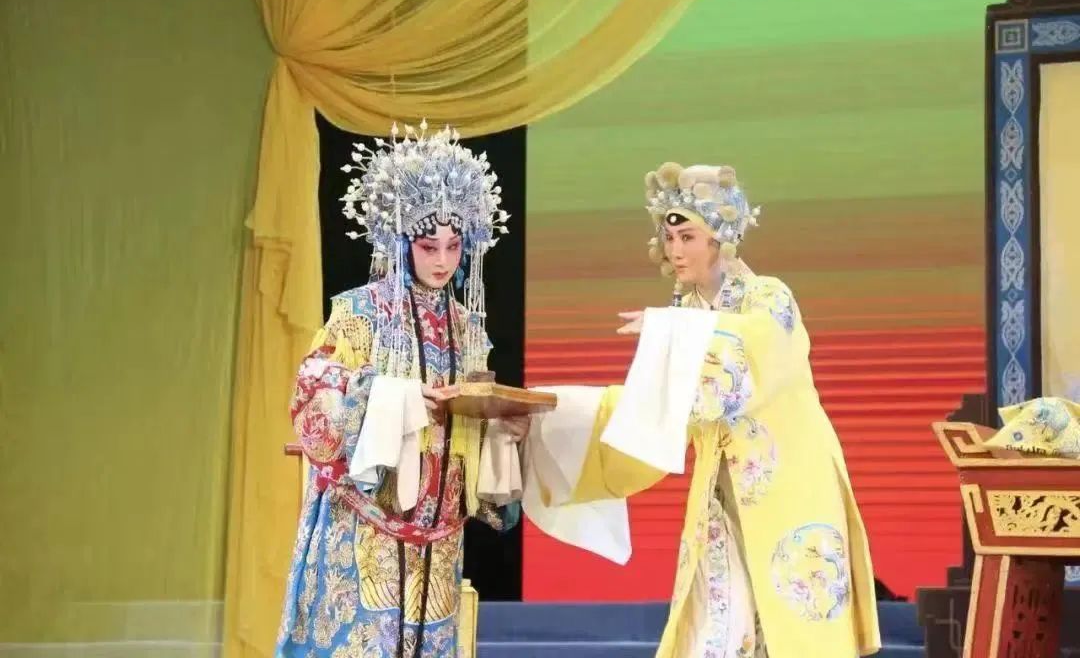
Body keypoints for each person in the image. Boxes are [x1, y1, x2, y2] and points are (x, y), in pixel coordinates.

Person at [522, 163, 881, 658]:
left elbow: (756, 350)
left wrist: (671, 331)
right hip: (719, 491)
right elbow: (651, 403)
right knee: (717, 629)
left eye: (688, 237)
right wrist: (552, 410)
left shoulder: (768, 296)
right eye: (669, 238)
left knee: (791, 630)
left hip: (791, 484)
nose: (675, 250)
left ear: (720, 239)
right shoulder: (686, 316)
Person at [277, 121, 527, 658]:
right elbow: (313, 390)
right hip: (363, 524)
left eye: (454, 247)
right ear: (400, 242)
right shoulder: (359, 312)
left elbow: (476, 429)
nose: (442, 261)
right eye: (429, 246)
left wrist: (501, 426)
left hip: (440, 534)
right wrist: (397, 398)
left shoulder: (468, 328)